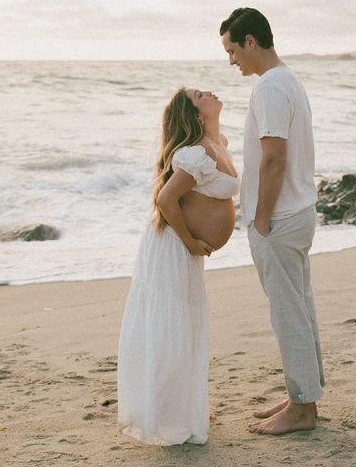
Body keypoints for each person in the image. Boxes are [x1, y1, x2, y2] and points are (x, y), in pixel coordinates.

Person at [220, 7, 324, 435]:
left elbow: (274, 157)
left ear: (250, 41)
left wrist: (260, 219)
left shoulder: (270, 88)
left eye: (231, 49)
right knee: (300, 307)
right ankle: (304, 395)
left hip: (279, 219)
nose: (230, 60)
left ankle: (302, 409)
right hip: (296, 212)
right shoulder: (287, 80)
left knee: (288, 313)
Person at [118, 87, 239, 445]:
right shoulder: (195, 153)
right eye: (199, 94)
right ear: (193, 112)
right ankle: (167, 413)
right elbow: (166, 198)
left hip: (182, 250)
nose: (209, 92)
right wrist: (189, 241)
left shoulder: (216, 142)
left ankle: (183, 404)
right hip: (172, 247)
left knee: (184, 325)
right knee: (171, 326)